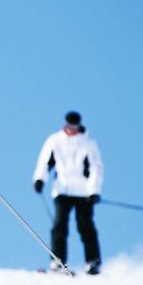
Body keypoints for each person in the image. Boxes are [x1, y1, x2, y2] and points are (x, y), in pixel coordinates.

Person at [32, 111, 104, 274]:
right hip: (62, 190)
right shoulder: (54, 140)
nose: (72, 129)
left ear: (79, 126)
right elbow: (44, 161)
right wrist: (40, 179)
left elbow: (96, 168)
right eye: (69, 125)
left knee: (85, 225)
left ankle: (93, 262)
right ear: (65, 124)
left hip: (83, 192)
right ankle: (57, 261)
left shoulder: (89, 144)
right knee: (59, 225)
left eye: (75, 126)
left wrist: (93, 191)